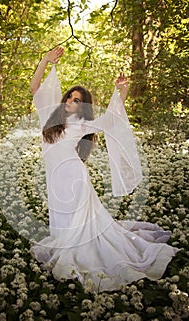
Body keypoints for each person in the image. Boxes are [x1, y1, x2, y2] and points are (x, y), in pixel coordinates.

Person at [30, 47, 179, 292]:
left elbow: (111, 120)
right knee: (62, 221)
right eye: (69, 97)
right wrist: (45, 60)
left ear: (82, 106)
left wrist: (123, 92)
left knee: (82, 228)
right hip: (55, 179)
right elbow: (35, 88)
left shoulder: (81, 123)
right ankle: (66, 244)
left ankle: (85, 252)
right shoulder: (49, 115)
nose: (70, 101)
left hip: (75, 179)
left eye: (77, 100)